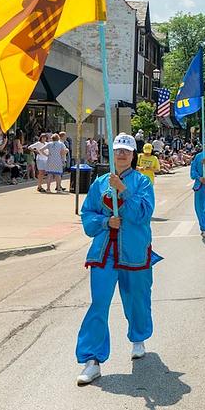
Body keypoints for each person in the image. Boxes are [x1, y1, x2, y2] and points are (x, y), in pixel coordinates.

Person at [75, 132, 160, 386]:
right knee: (99, 304)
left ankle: (138, 337)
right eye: (117, 150)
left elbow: (143, 214)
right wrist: (104, 221)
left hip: (133, 251)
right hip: (104, 253)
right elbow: (88, 215)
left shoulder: (142, 182)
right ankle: (92, 359)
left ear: (133, 155)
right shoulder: (100, 183)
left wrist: (124, 192)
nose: (121, 154)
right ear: (111, 153)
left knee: (136, 298)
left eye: (126, 150)